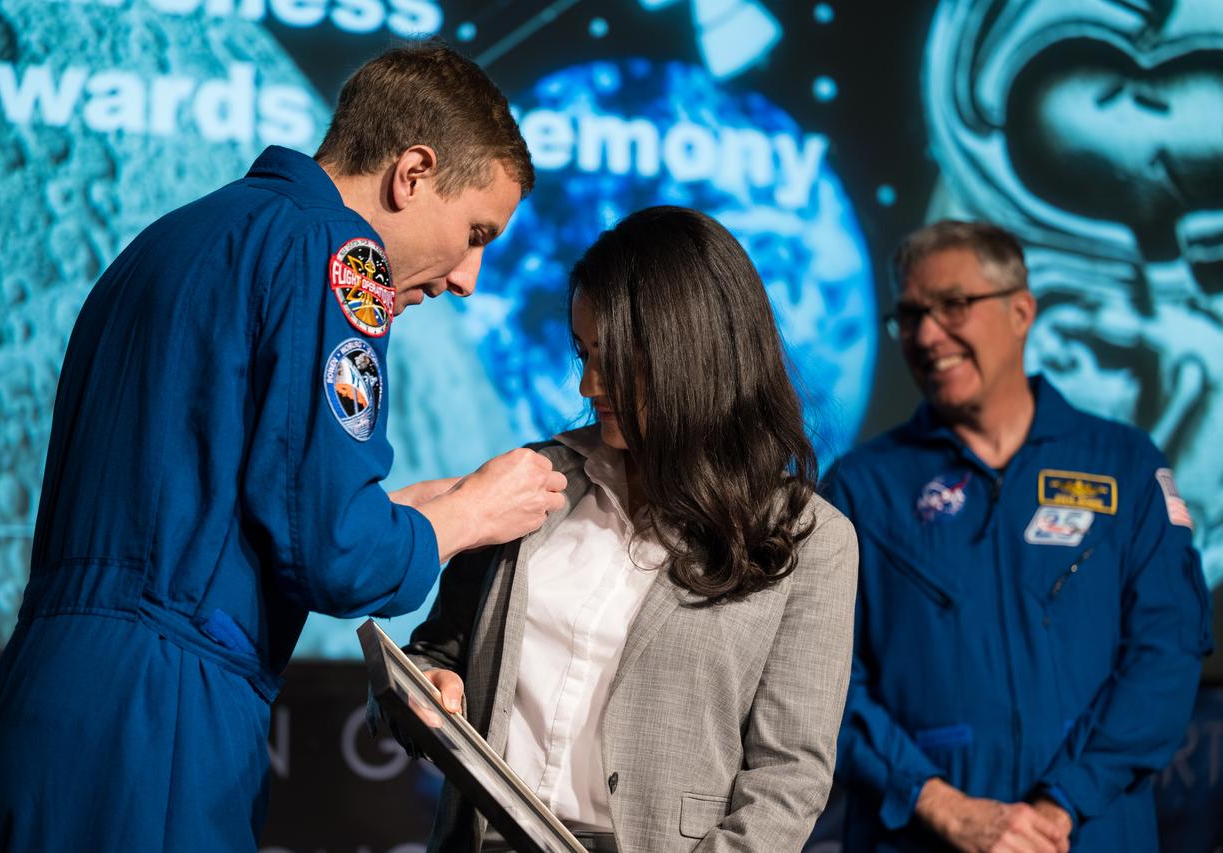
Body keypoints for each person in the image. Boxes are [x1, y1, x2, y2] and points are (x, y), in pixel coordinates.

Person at [0, 42, 568, 852]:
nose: (469, 277)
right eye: (476, 231)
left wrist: (409, 507)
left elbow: (221, 497)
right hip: (160, 723)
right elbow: (334, 552)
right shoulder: (341, 258)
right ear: (412, 173)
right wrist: (470, 514)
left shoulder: (173, 238)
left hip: (39, 702)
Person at [383, 206, 859, 853]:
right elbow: (436, 654)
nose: (587, 383)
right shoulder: (533, 478)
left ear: (690, 351)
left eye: (612, 358)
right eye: (584, 353)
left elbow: (788, 779)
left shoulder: (810, 538)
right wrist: (431, 689)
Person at [821, 220, 1213, 852]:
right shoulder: (861, 489)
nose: (926, 334)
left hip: (1089, 834)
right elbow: (823, 683)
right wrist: (939, 804)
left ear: (1021, 311)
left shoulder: (1125, 465)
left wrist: (1061, 806)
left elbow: (1165, 652)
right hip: (920, 838)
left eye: (953, 306)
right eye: (910, 315)